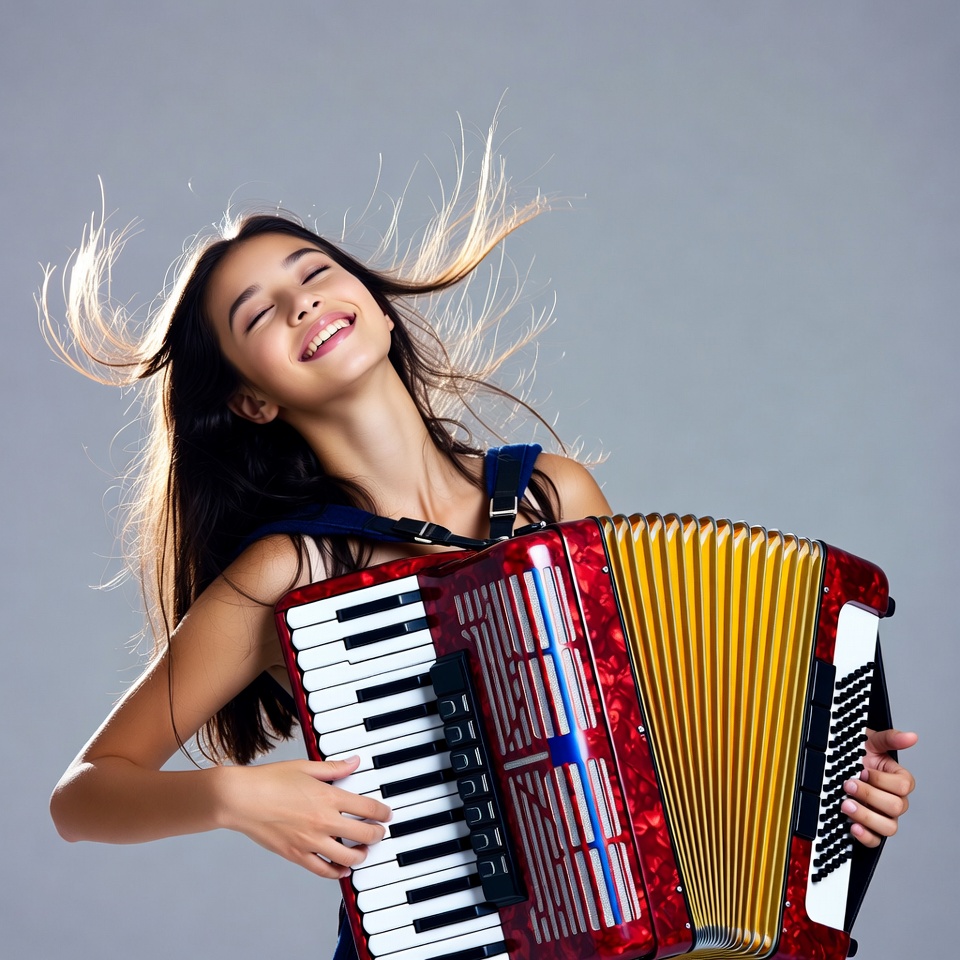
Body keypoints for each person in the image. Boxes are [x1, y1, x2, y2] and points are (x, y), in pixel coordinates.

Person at [44, 136, 916, 958]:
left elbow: (667, 736)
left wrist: (833, 785)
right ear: (252, 401)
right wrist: (232, 796)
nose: (300, 301)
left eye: (313, 272)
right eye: (258, 314)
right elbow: (83, 794)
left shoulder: (553, 495)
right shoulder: (289, 573)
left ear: (375, 307)